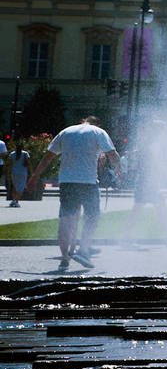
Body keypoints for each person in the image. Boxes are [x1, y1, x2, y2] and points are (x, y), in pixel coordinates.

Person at [25, 116, 122, 273]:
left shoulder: (65, 132)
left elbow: (48, 156)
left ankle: (64, 259)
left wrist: (35, 176)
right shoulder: (98, 132)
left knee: (66, 220)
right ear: (95, 123)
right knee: (93, 215)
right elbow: (112, 154)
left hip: (67, 182)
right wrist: (118, 170)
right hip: (88, 183)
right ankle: (83, 249)